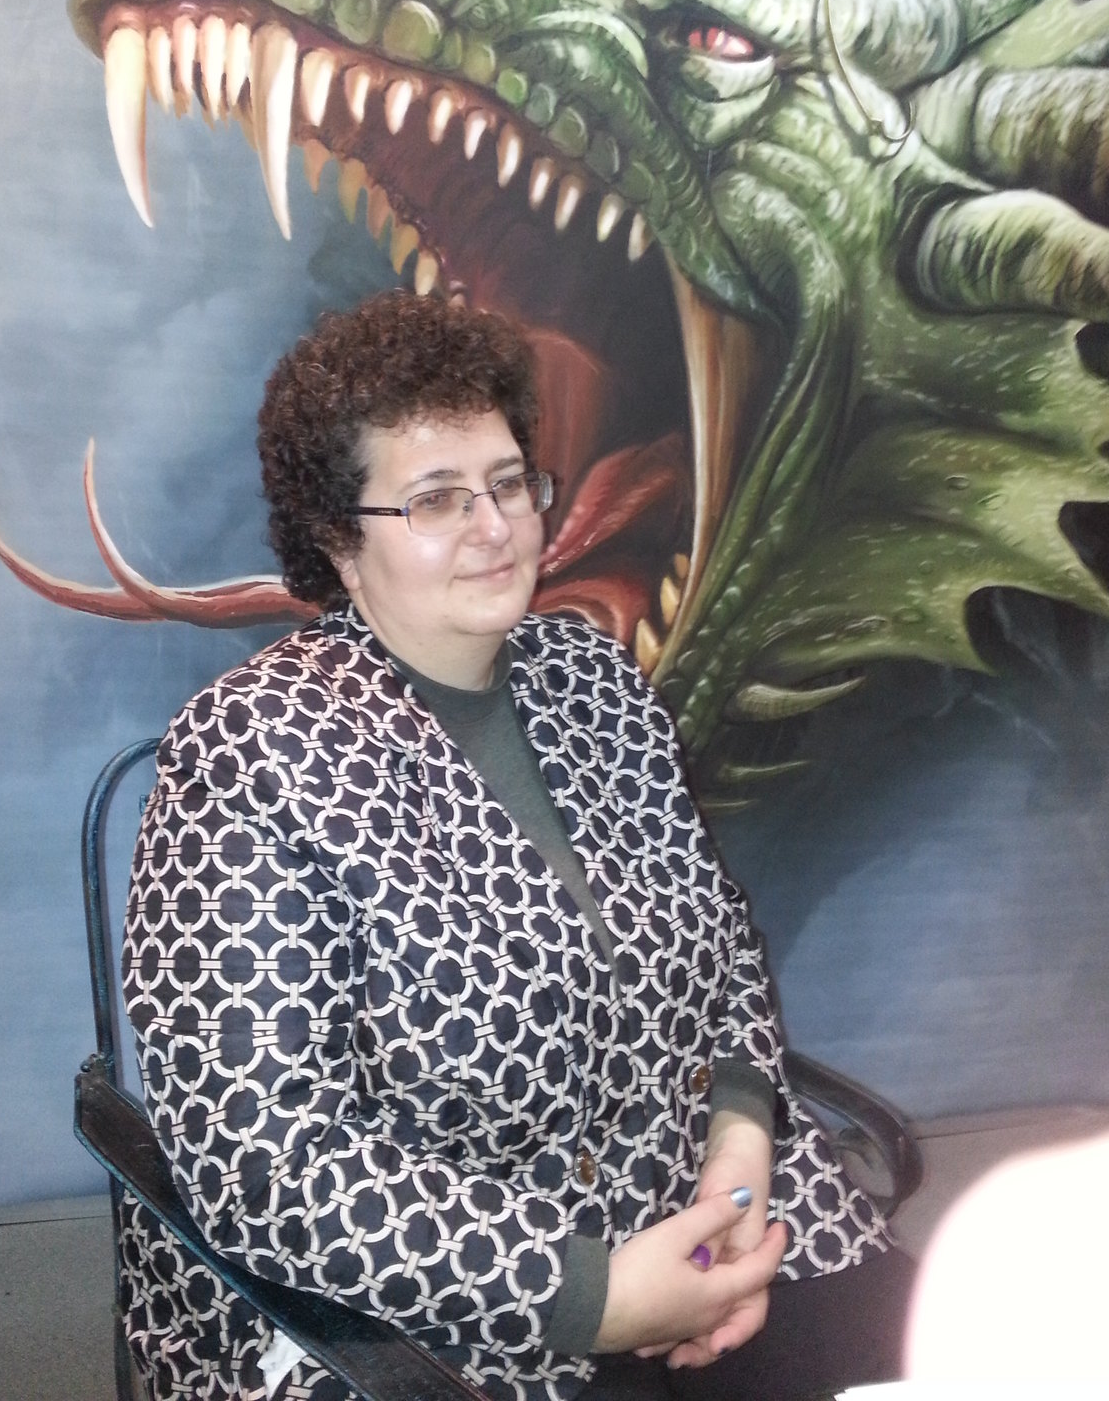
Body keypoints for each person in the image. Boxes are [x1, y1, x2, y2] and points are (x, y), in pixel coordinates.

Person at [119, 289, 913, 1401]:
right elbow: (267, 1163)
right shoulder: (250, 754)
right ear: (339, 541)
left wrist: (739, 1153)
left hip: (708, 1213)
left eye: (507, 483)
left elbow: (723, 947)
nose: (495, 526)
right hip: (437, 1310)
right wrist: (597, 1296)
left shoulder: (593, 682)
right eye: (436, 499)